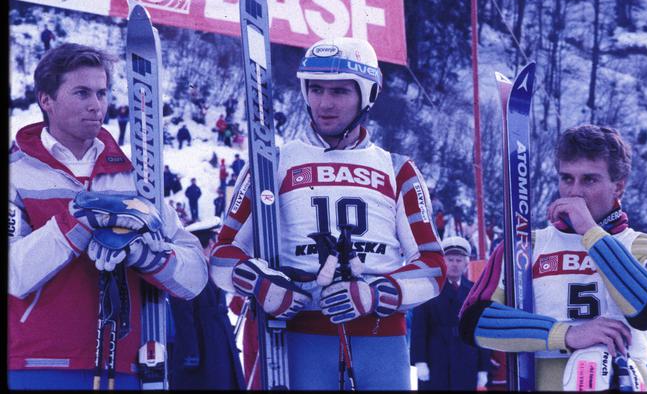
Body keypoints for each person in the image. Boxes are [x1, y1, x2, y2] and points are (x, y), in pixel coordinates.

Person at [209, 37, 447, 390]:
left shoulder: (398, 169)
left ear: (367, 95)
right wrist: (260, 284)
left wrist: (373, 294)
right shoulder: (270, 163)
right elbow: (222, 257)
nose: (324, 103)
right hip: (298, 333)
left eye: (340, 92)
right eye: (316, 89)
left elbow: (432, 266)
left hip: (379, 338)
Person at [8, 43, 208, 389]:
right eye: (82, 92)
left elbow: (194, 277)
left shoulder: (134, 177)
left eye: (101, 93)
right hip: (34, 365)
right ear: (46, 100)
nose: (96, 105)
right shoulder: (17, 174)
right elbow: (13, 275)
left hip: (121, 368)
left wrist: (144, 254)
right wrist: (79, 222)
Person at [459, 124, 647, 391]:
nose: (575, 192)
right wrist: (568, 334)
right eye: (567, 178)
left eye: (590, 179)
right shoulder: (524, 246)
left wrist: (590, 232)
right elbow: (473, 322)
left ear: (618, 187)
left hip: (620, 380)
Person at [168, 217, 245, 390]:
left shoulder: (208, 269)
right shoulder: (187, 272)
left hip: (217, 344)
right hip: (204, 350)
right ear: (210, 243)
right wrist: (190, 353)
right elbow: (183, 315)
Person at [411, 236, 490, 390]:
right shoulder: (428, 289)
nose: (454, 264)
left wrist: (483, 368)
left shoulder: (475, 292)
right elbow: (419, 328)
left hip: (466, 360)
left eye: (459, 260)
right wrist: (420, 362)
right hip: (436, 360)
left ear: (466, 264)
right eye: (450, 259)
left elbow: (481, 331)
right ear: (443, 262)